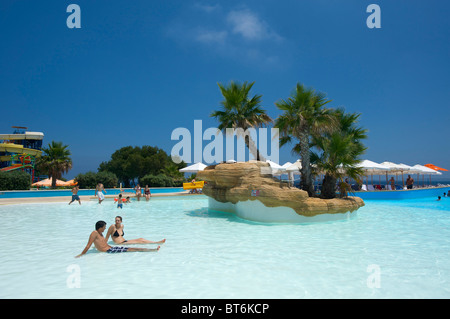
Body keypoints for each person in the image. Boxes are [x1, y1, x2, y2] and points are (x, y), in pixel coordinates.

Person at [75, 221, 160, 258]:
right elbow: (88, 245)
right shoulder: (94, 233)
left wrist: (95, 247)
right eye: (104, 227)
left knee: (131, 248)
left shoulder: (100, 233)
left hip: (110, 248)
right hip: (109, 250)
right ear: (100, 227)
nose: (105, 229)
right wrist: (81, 254)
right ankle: (152, 250)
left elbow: (98, 243)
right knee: (131, 249)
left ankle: (151, 249)